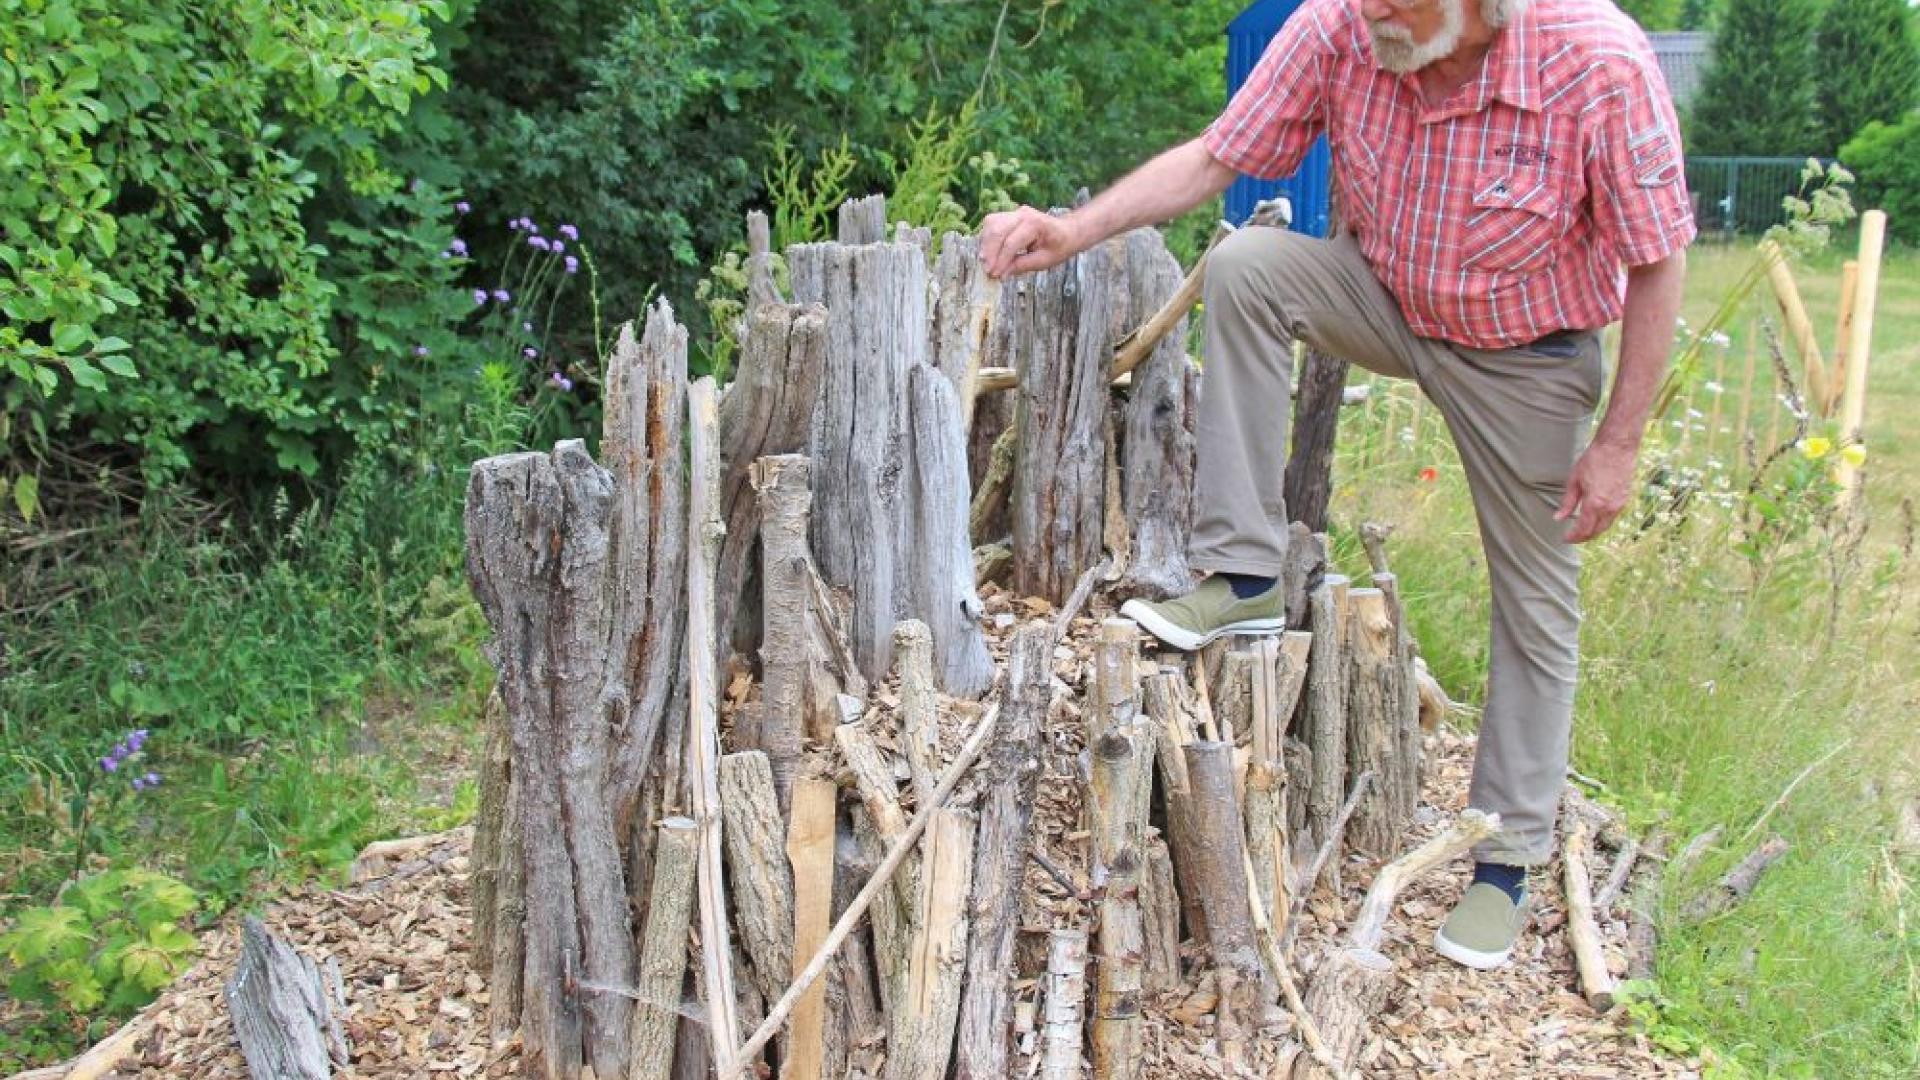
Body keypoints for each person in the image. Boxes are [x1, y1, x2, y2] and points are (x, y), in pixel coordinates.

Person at [978, 0, 1692, 971]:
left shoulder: (1595, 57)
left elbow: (1658, 261)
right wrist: (1072, 230)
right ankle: (1242, 577)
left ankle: (1505, 862)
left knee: (1536, 600)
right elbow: (1214, 158)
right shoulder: (1344, 25)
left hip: (1527, 356)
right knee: (1247, 268)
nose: (1376, 9)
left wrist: (1618, 444)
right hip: (1388, 299)